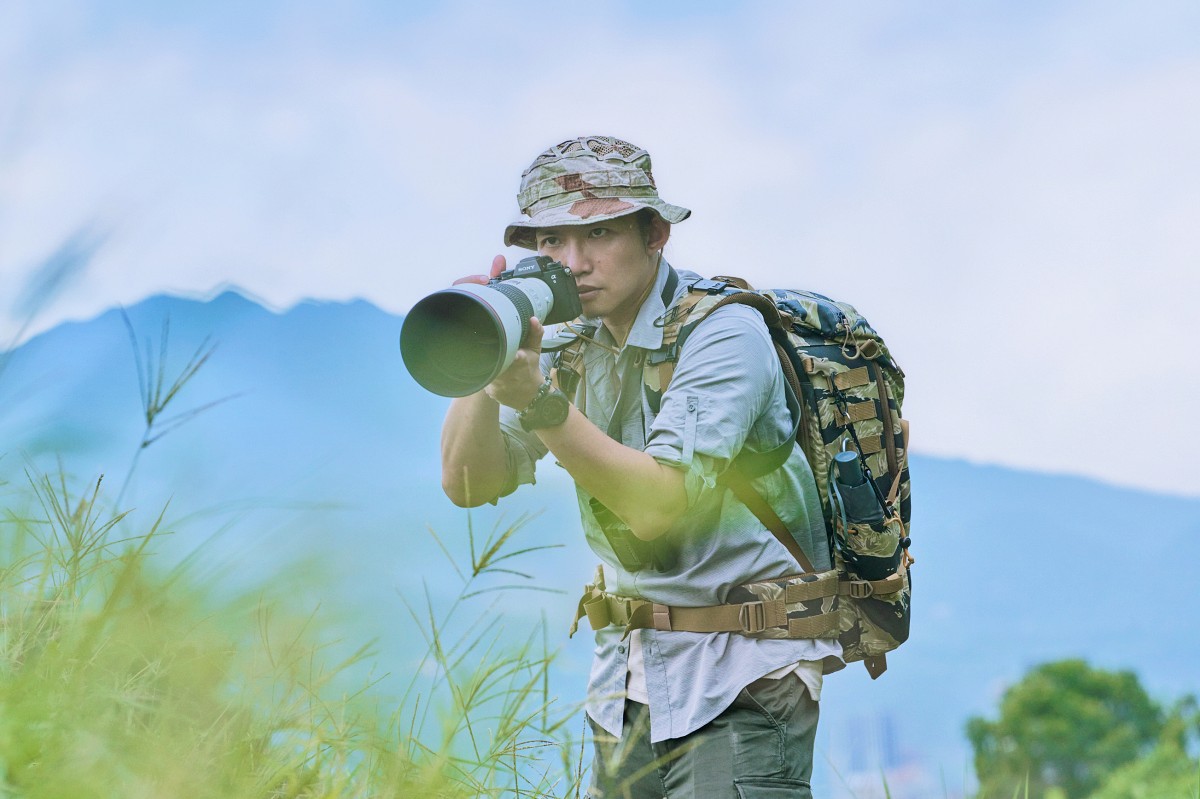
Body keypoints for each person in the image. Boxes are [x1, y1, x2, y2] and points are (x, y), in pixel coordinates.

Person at [440, 136, 839, 799]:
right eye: (551, 242)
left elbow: (657, 506)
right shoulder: (568, 340)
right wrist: (481, 346)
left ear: (654, 233)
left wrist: (538, 402)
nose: (573, 263)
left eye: (597, 233)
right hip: (627, 680)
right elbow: (468, 481)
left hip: (742, 675)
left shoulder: (724, 334)